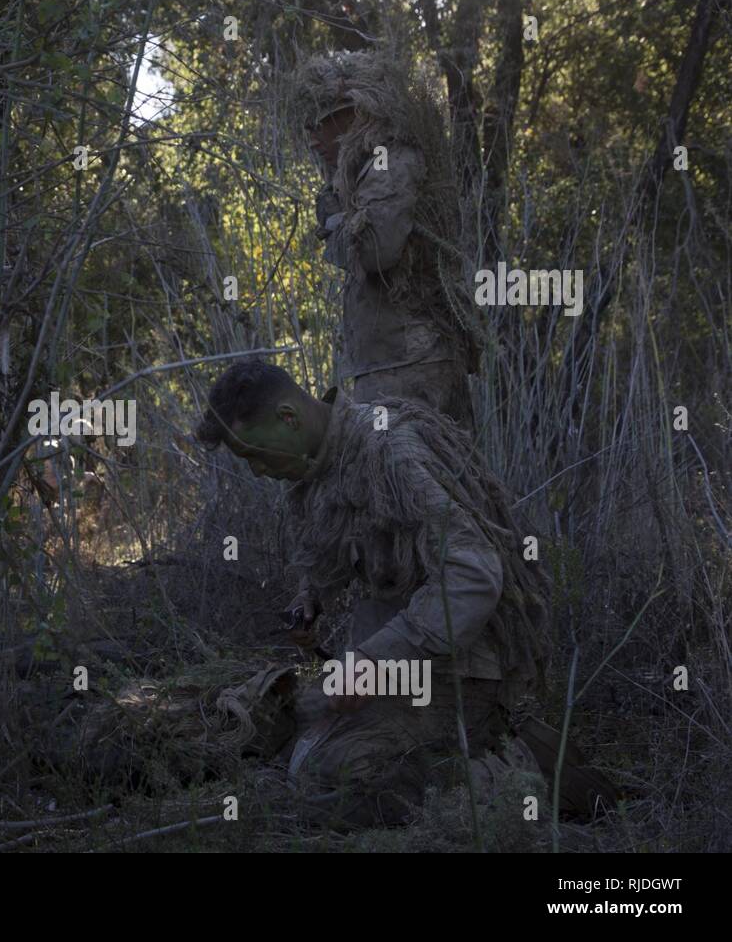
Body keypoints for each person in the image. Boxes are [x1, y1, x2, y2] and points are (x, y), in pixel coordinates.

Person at [197, 360, 551, 827]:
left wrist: (372, 659)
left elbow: (474, 576)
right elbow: (333, 553)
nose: (259, 471)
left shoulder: (392, 450)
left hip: (461, 669)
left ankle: (510, 772)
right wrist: (309, 603)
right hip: (397, 666)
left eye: (255, 455)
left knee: (333, 777)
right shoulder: (320, 468)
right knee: (269, 729)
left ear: (288, 418)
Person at [299, 50, 478, 431]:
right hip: (391, 363)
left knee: (418, 480)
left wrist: (333, 219)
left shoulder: (389, 159)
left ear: (354, 113)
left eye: (317, 122)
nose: (312, 139)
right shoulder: (363, 170)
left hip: (410, 366)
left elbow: (376, 249)